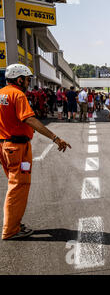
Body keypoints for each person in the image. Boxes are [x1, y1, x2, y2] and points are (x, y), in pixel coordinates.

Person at [0, 64, 71, 240]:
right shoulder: (18, 94)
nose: (28, 82)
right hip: (17, 147)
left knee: (14, 186)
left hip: (5, 146)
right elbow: (29, 119)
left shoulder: (1, 93)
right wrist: (55, 138)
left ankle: (14, 223)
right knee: (18, 188)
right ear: (19, 79)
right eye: (27, 79)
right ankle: (11, 229)